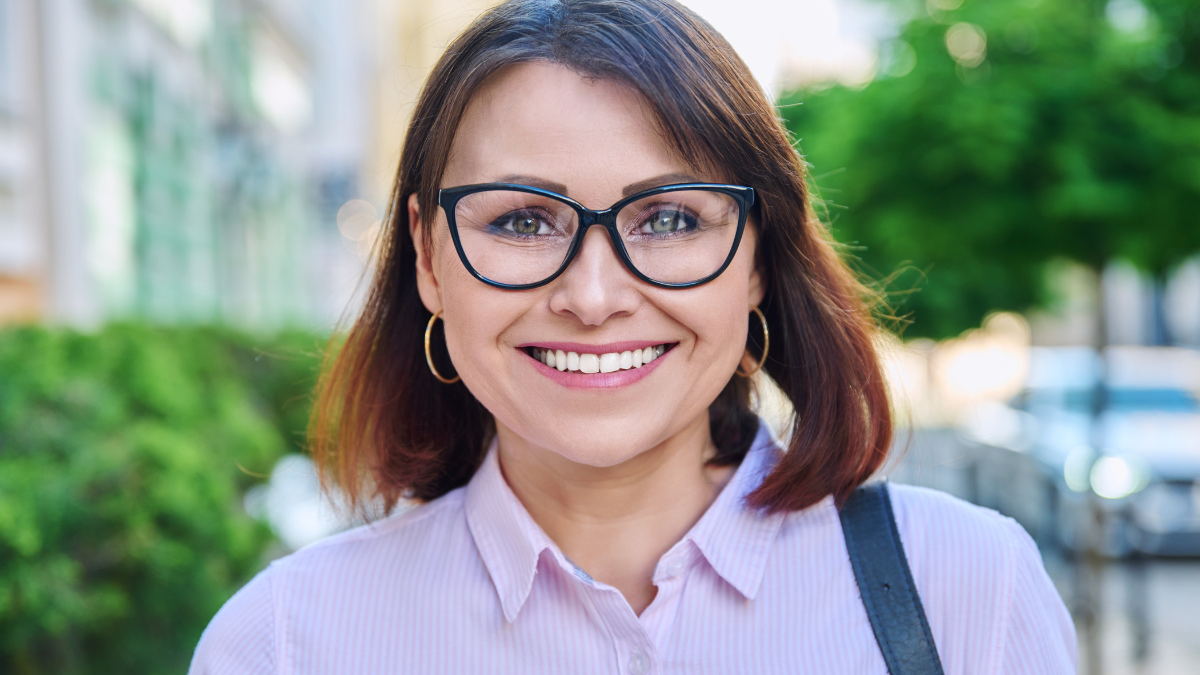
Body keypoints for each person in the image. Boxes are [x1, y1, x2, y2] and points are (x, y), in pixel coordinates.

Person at [190, 1, 1077, 673]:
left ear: (760, 254)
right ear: (428, 255)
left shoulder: (965, 589)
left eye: (668, 217)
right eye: (525, 221)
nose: (594, 294)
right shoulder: (287, 642)